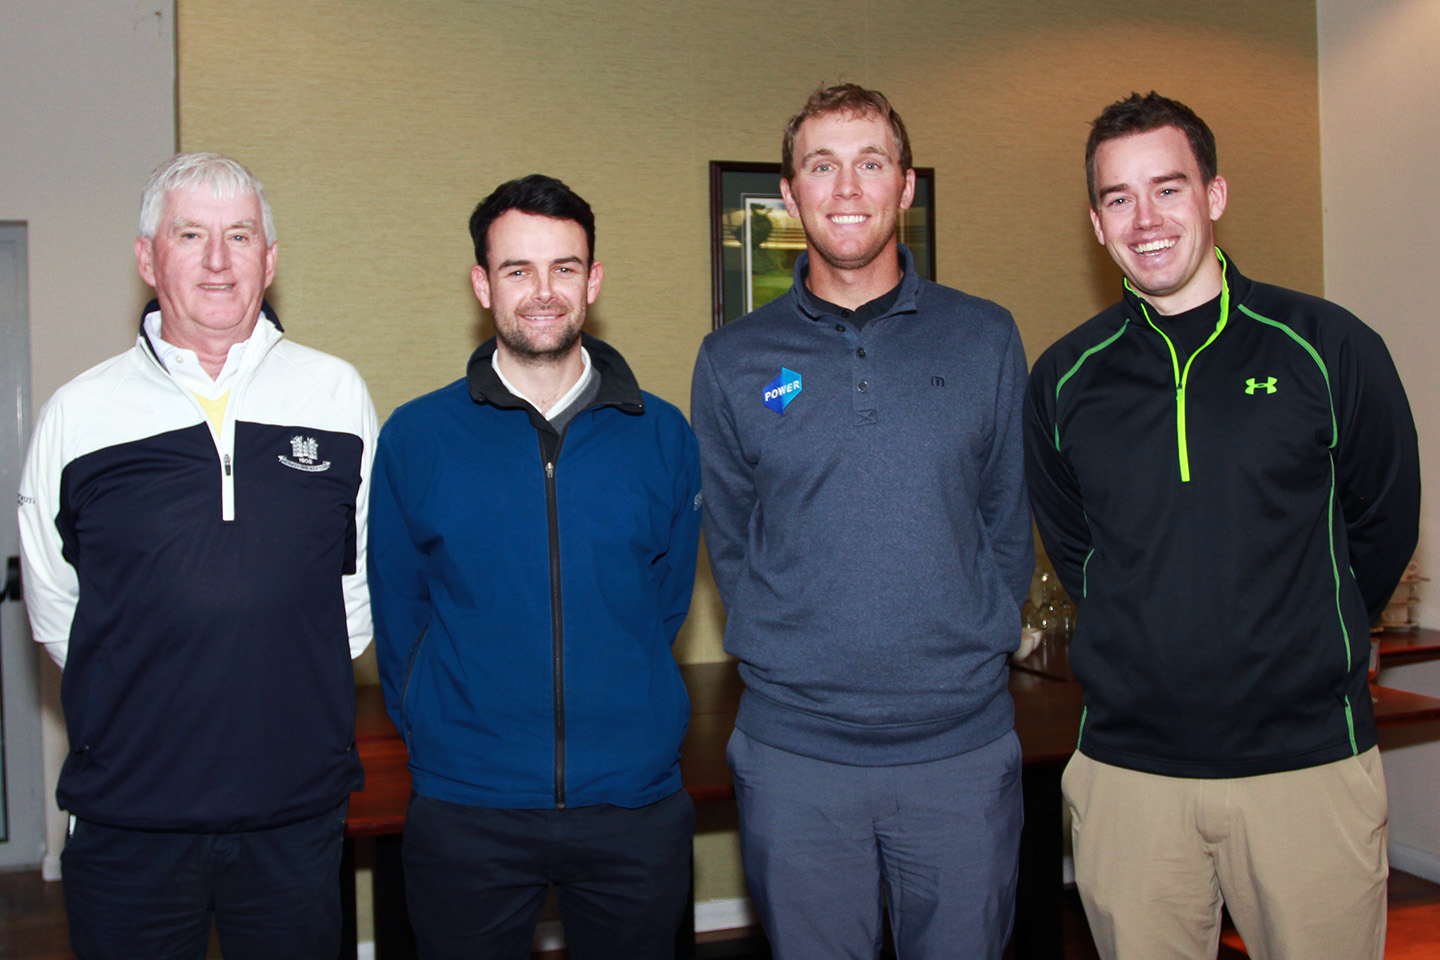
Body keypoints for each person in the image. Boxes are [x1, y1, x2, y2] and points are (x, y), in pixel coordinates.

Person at [1025, 92, 1421, 960]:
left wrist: (1307, 634)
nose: (1145, 219)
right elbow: (1081, 554)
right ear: (1096, 223)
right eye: (1119, 198)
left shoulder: (1327, 346)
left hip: (1307, 767)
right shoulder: (1062, 379)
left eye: (1168, 188)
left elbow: (1383, 522)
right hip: (1129, 775)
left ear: (1214, 194)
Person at [690, 84, 1033, 959]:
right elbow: (732, 540)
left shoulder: (986, 338)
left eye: (870, 163)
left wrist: (974, 640)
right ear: (790, 192)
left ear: (905, 186)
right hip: (795, 760)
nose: (847, 188)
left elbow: (1006, 520)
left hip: (961, 755)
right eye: (822, 166)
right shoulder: (732, 360)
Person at [16, 152, 377, 959]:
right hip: (130, 817)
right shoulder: (79, 415)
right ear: (148, 259)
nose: (218, 260)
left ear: (269, 260)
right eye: (190, 235)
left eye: (239, 236)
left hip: (295, 813)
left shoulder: (335, 395)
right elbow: (59, 610)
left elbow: (353, 592)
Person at [368, 174, 703, 960]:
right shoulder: (417, 437)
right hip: (467, 804)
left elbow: (664, 602)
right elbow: (399, 606)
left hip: (633, 803)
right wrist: (437, 731)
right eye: (517, 269)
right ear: (483, 285)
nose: (543, 291)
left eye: (564, 267)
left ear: (594, 280)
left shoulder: (663, 435)